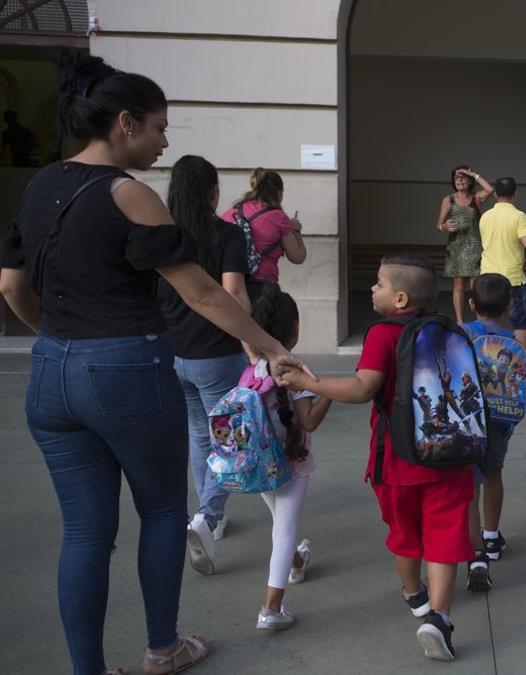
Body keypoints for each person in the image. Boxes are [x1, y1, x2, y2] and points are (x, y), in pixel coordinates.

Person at [0, 53, 310, 675]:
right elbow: (201, 292)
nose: (165, 139)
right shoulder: (129, 194)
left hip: (51, 375)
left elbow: (10, 286)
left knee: (85, 534)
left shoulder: (40, 185)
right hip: (126, 370)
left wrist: (60, 339)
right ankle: (162, 646)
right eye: (161, 126)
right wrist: (268, 345)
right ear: (124, 122)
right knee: (163, 512)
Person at [277, 255, 471, 662]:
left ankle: (414, 594)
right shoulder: (445, 330)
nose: (371, 288)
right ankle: (440, 617)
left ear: (400, 299)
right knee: (445, 536)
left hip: (397, 459)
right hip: (450, 454)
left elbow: (363, 388)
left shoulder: (381, 334)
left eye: (379, 284)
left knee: (404, 532)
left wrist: (306, 382)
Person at [156, 154, 251, 575]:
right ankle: (207, 518)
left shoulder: (160, 235)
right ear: (212, 190)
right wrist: (253, 339)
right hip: (217, 354)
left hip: (173, 353)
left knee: (200, 435)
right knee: (227, 439)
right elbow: (233, 293)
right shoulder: (226, 234)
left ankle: (211, 514)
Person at [460, 273, 526, 591]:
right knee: (492, 475)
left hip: (465, 423)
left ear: (471, 303)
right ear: (507, 307)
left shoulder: (460, 335)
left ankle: (475, 551)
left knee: (468, 486)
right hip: (499, 424)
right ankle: (491, 538)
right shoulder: (513, 345)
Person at [249, 285, 332, 632]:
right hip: (293, 462)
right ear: (295, 329)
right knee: (284, 531)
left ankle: (297, 560)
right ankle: (271, 609)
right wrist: (329, 393)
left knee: (281, 525)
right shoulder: (297, 373)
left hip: (259, 461)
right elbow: (308, 421)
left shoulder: (255, 368)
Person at [478, 177, 526, 351]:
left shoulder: (485, 217)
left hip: (487, 278)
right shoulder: (519, 216)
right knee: (521, 323)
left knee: (485, 321)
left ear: (495, 193)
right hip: (513, 280)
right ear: (515, 194)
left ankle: (484, 359)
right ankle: (521, 363)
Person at [221, 168, 306, 301]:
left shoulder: (232, 213)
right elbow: (298, 257)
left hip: (231, 285)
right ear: (279, 194)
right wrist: (296, 231)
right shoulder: (279, 218)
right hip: (263, 288)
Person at [436, 165, 493, 324]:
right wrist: (445, 227)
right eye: (456, 177)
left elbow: (490, 190)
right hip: (457, 248)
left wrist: (473, 173)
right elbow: (439, 225)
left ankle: (479, 319)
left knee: (477, 288)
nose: (459, 179)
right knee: (458, 287)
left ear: (469, 180)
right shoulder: (448, 200)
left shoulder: (476, 197)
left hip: (475, 247)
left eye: (462, 176)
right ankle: (460, 322)